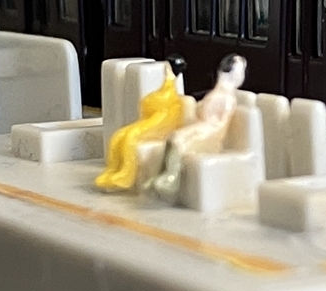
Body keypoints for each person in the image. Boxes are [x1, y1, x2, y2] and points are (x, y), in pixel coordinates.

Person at [148, 54, 246, 204]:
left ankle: (172, 179)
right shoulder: (217, 94)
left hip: (212, 133)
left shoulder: (228, 98)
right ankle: (164, 174)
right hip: (203, 126)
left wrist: (202, 129)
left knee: (181, 143)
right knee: (174, 137)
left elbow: (220, 125)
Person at [95, 56, 186, 192]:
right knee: (119, 135)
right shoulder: (165, 84)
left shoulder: (172, 87)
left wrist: (150, 102)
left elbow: (158, 102)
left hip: (163, 121)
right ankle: (112, 169)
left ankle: (126, 175)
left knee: (131, 136)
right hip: (155, 117)